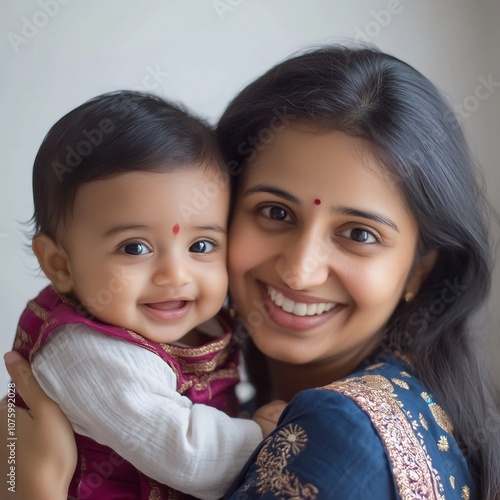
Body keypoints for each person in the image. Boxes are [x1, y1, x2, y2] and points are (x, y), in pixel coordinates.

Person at [3, 45, 500, 499]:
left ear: (420, 269)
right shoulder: (129, 355)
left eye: (360, 234)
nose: (300, 272)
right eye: (276, 213)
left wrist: (32, 489)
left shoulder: (336, 436)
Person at [7, 91, 285, 500]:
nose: (175, 274)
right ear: (61, 265)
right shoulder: (85, 351)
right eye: (135, 248)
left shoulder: (199, 316)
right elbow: (187, 454)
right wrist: (260, 436)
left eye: (202, 246)